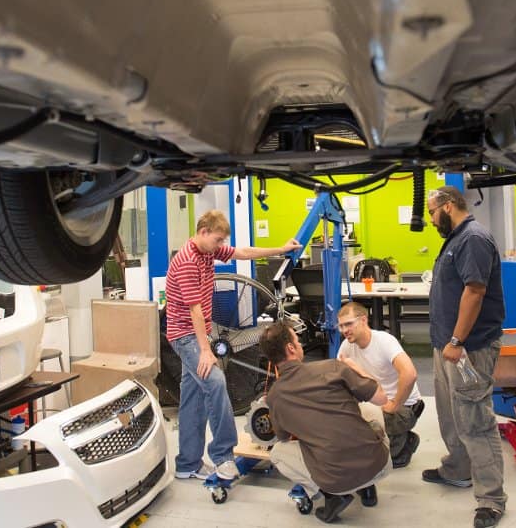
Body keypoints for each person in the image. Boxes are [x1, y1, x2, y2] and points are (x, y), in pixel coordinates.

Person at [165, 210, 300, 481]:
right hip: (186, 335)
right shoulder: (188, 261)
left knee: (192, 398)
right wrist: (205, 350)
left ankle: (187, 464)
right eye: (217, 240)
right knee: (215, 383)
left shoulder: (205, 251)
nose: (219, 246)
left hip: (196, 333)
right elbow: (195, 311)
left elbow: (243, 253)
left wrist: (281, 249)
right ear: (203, 232)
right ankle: (223, 456)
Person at [424, 186, 507, 528]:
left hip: (467, 350)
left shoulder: (472, 238)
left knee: (475, 421)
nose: (430, 220)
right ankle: (458, 468)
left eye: (431, 212)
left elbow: (475, 291)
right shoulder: (456, 238)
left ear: (447, 206)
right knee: (450, 415)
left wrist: (457, 340)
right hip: (447, 347)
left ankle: (491, 499)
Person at [259, 320, 392, 523]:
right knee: (370, 407)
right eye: (297, 340)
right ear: (291, 348)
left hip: (336, 480)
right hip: (380, 465)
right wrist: (356, 369)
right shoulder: (332, 367)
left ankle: (332, 496)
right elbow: (382, 399)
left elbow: (283, 436)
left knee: (278, 452)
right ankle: (367, 489)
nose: (300, 344)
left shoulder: (274, 397)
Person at [336, 301, 425, 468]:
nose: (344, 330)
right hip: (377, 401)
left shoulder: (384, 341)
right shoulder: (347, 345)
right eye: (340, 326)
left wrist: (393, 405)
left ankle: (403, 442)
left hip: (404, 406)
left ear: (363, 320)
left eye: (348, 324)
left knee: (377, 458)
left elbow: (410, 374)